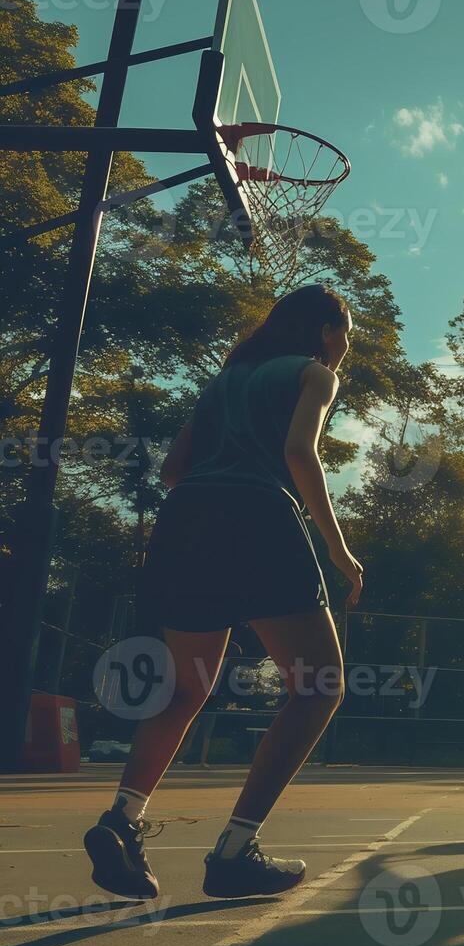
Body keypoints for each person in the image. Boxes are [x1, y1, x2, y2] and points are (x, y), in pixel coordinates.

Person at [84, 285, 364, 900]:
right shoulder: (316, 375)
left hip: (187, 519)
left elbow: (172, 470)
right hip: (257, 515)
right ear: (325, 332)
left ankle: (121, 821)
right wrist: (339, 550)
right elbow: (299, 452)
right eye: (346, 333)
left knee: (187, 687)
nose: (346, 346)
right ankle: (236, 850)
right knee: (319, 687)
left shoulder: (227, 379)